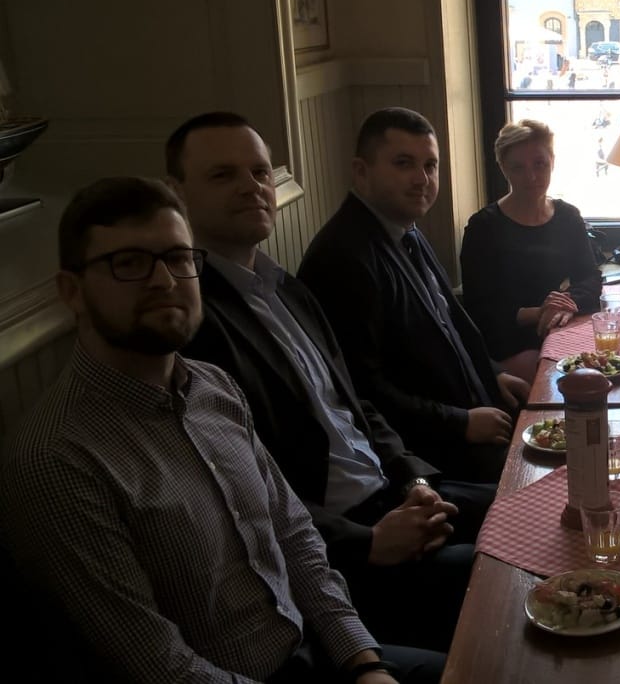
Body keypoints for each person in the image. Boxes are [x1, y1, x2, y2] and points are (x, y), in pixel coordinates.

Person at [0, 177, 443, 682]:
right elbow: (159, 666)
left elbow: (295, 537)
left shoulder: (215, 387)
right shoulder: (56, 459)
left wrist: (363, 660)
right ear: (72, 292)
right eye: (129, 263)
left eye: (178, 257)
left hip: (316, 651)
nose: (164, 281)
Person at [168, 112, 484, 653]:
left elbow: (355, 404)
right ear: (177, 193)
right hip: (340, 543)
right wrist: (367, 541)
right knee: (512, 572)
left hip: (392, 491)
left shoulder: (287, 290)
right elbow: (238, 488)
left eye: (260, 172)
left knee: (536, 515)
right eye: (222, 175)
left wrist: (414, 479)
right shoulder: (192, 321)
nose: (251, 187)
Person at [298, 107, 530, 485]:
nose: (422, 179)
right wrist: (461, 422)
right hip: (431, 460)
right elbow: (362, 390)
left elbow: (449, 322)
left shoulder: (404, 229)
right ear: (361, 171)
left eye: (430, 165)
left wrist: (491, 375)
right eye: (403, 163)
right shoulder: (343, 258)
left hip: (472, 422)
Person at [458, 119, 602, 379]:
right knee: (554, 377)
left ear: (552, 162)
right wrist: (539, 312)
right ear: (503, 168)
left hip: (556, 326)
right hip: (506, 337)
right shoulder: (483, 227)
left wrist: (565, 304)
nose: (531, 177)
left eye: (539, 164)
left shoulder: (568, 217)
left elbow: (590, 277)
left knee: (604, 363)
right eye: (518, 167)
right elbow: (479, 309)